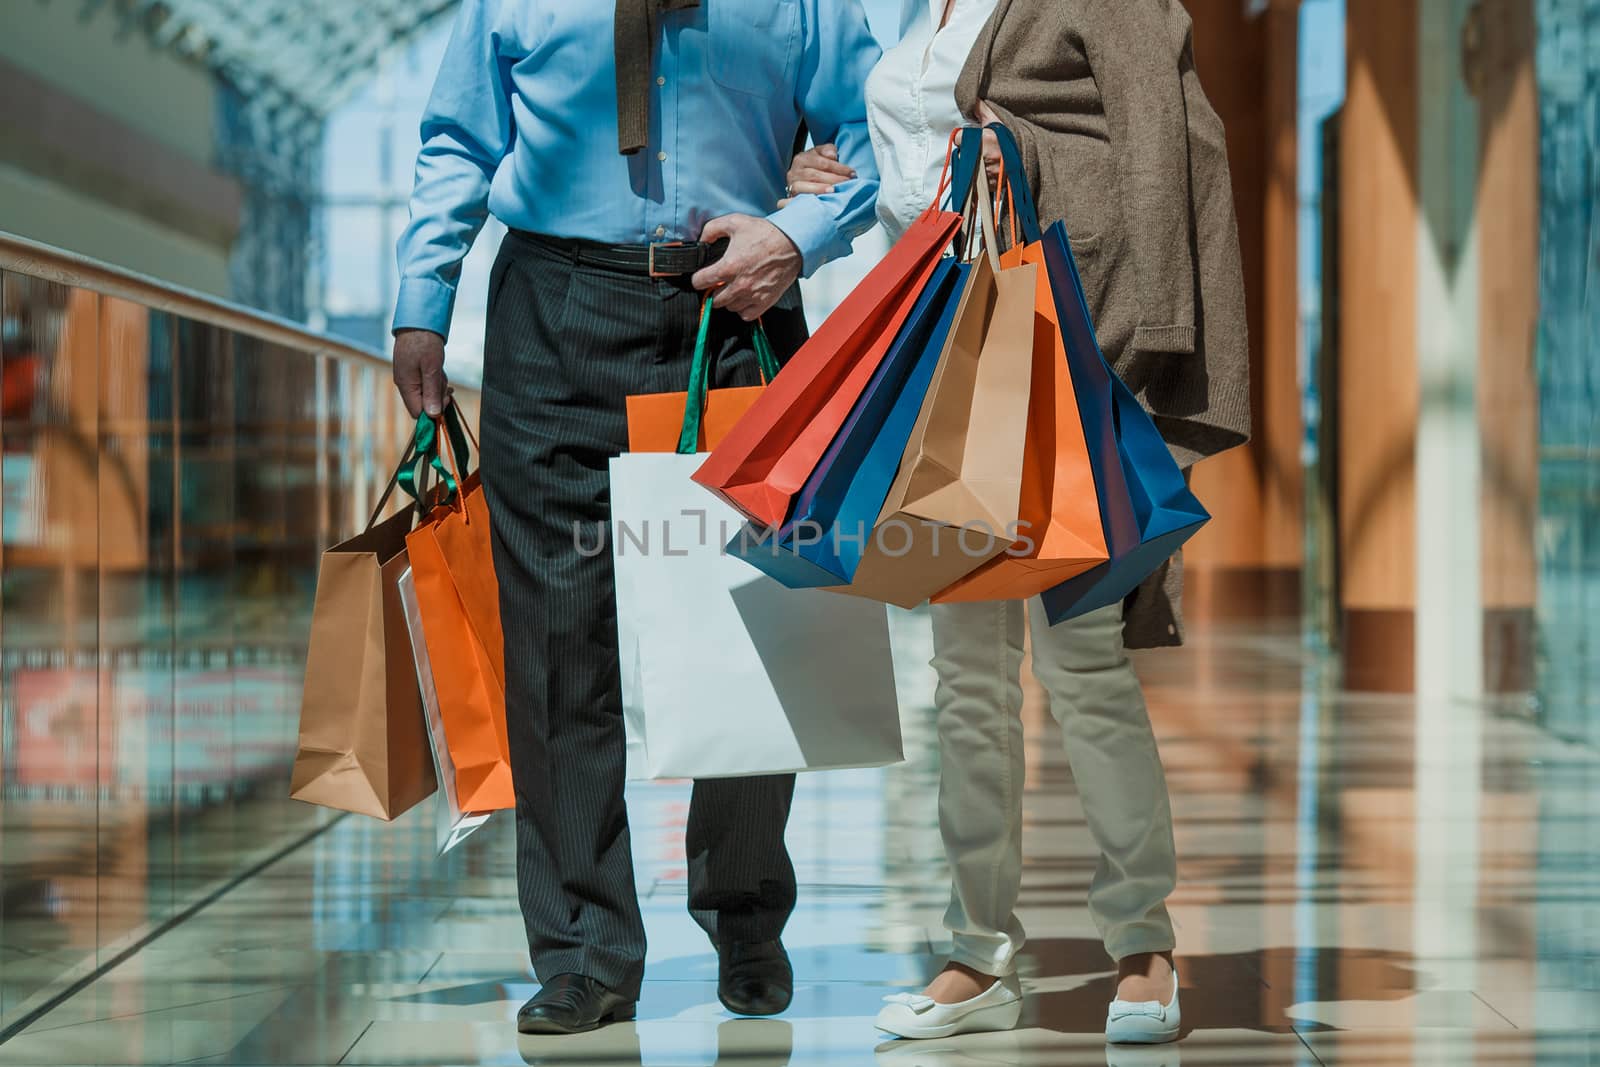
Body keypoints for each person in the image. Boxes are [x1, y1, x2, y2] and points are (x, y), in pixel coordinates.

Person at [391, 0, 882, 1036]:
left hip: (738, 312)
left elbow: (866, 128)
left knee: (756, 627)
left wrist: (797, 235)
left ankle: (747, 916)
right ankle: (583, 951)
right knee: (559, 644)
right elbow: (459, 140)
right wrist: (422, 295)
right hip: (554, 313)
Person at [787, 0, 1249, 1046]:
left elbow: (1159, 151)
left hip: (1067, 349)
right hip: (947, 355)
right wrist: (825, 181)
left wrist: (1143, 359)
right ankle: (976, 951)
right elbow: (917, 171)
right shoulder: (907, 11)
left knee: (1082, 660)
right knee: (968, 680)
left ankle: (1141, 940)